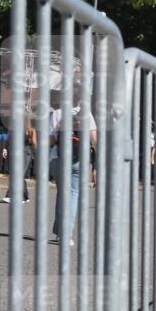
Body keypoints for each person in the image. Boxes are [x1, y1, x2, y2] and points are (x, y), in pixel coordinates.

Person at [50, 99, 97, 245]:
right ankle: (66, 234)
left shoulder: (57, 113)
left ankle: (60, 232)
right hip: (79, 159)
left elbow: (51, 140)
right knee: (73, 195)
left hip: (59, 157)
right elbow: (95, 140)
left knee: (61, 193)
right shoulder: (86, 114)